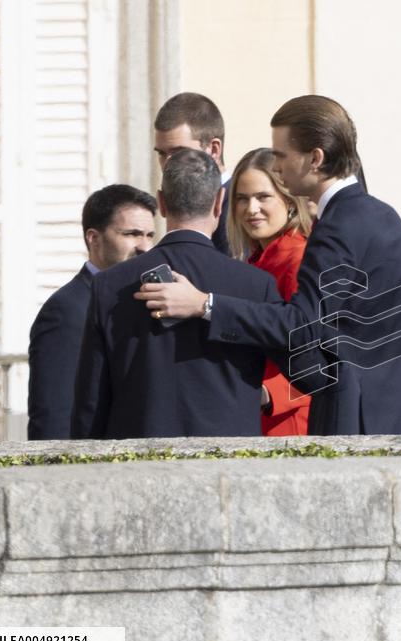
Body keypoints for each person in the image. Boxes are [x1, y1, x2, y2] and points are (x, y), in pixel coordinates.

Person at [134, 95, 401, 436]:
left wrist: (204, 305)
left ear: (315, 158)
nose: (277, 167)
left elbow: (303, 326)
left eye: (281, 155)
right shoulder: (380, 214)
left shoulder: (339, 226)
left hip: (362, 422)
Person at [71, 150, 282, 439]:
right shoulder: (257, 285)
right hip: (231, 465)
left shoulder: (109, 285)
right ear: (220, 203)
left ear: (161, 203)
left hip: (139, 464)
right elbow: (310, 368)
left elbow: (90, 405)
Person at [27, 185, 157, 440]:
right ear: (93, 238)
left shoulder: (146, 298)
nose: (144, 246)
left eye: (150, 235)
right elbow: (55, 414)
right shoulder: (67, 309)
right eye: (132, 234)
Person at [227, 147, 314, 436]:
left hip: (290, 423)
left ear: (288, 199)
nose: (251, 209)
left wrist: (267, 394)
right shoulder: (255, 261)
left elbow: (323, 352)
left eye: (263, 197)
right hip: (257, 418)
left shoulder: (299, 259)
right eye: (242, 198)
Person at [153, 92, 232, 255]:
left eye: (179, 152)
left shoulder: (242, 206)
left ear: (214, 149)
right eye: (161, 154)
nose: (168, 164)